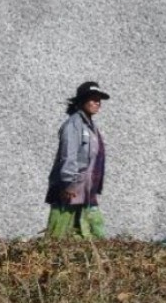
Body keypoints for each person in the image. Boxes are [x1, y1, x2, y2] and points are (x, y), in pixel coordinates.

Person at [45, 81, 110, 238]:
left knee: (91, 234)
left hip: (86, 191)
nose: (97, 102)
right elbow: (69, 155)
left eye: (99, 99)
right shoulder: (73, 125)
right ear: (81, 101)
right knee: (59, 235)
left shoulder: (90, 126)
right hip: (71, 191)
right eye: (93, 99)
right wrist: (68, 184)